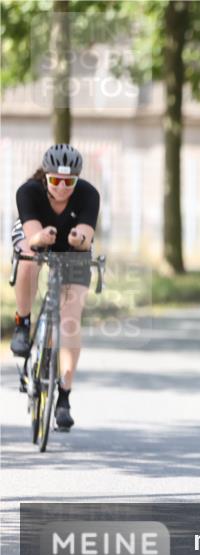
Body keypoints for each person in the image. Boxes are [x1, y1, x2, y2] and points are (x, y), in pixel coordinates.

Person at [10, 144, 100, 431]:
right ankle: (23, 323)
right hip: (36, 235)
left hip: (71, 248)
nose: (62, 188)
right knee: (29, 258)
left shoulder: (88, 195)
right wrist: (41, 237)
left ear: (77, 180)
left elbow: (86, 235)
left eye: (69, 182)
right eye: (56, 181)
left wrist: (78, 240)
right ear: (46, 177)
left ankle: (64, 395)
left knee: (70, 320)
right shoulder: (29, 192)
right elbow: (32, 236)